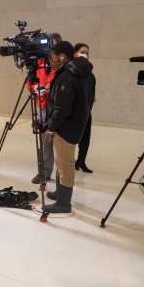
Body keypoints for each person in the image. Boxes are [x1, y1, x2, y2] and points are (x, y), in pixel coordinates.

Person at [43, 40, 93, 214]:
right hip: (77, 123)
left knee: (65, 164)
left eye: (52, 57)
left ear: (62, 56)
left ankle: (64, 203)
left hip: (65, 127)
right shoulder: (86, 73)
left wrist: (52, 126)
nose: (50, 61)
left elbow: (61, 107)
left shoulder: (67, 76)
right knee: (61, 161)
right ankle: (59, 193)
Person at [28, 32, 62, 185]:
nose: (48, 49)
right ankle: (45, 172)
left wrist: (52, 89)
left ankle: (63, 174)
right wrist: (37, 88)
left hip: (57, 107)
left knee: (61, 142)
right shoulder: (39, 62)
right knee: (44, 141)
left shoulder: (63, 65)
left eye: (51, 45)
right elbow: (29, 82)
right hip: (41, 105)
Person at [73, 43, 96, 173]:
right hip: (75, 112)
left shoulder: (89, 73)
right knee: (71, 139)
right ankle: (69, 162)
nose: (85, 55)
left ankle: (81, 161)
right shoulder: (71, 71)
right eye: (82, 51)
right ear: (75, 53)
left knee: (86, 137)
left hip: (87, 110)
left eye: (87, 52)